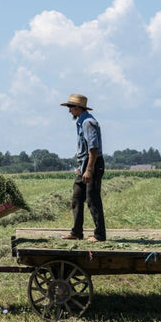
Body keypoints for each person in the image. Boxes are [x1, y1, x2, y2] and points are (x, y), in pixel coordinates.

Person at [60, 94, 106, 242]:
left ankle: (99, 235)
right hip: (85, 164)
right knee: (77, 197)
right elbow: (85, 149)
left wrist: (89, 170)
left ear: (79, 108)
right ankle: (77, 232)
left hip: (94, 163)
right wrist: (81, 167)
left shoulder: (88, 123)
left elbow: (93, 149)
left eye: (71, 107)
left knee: (92, 199)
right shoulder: (81, 122)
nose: (69, 111)